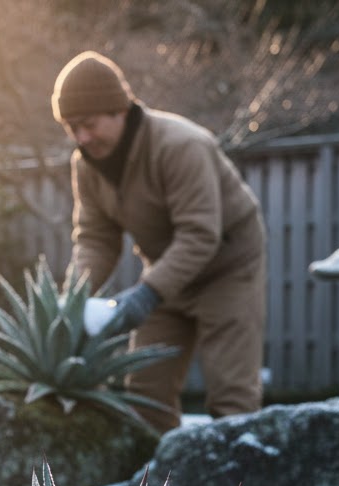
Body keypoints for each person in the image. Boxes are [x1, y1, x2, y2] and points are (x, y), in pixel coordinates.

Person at [51, 51, 267, 433]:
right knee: (145, 398)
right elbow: (96, 238)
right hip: (166, 273)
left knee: (232, 398)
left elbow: (200, 234)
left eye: (88, 124)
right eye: (71, 127)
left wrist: (146, 295)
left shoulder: (181, 146)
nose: (81, 137)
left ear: (119, 110)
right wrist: (75, 298)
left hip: (227, 267)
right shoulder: (85, 165)